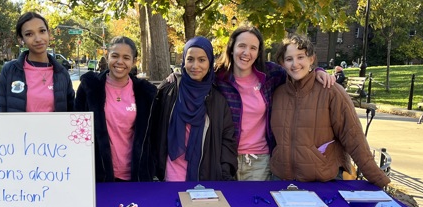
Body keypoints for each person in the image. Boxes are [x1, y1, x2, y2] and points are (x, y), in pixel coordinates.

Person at [214, 26, 334, 181]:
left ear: (258, 53)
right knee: (227, 203)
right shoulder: (218, 77)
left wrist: (317, 71)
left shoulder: (271, 74)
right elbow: (195, 74)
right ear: (231, 48)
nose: (246, 52)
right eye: (241, 46)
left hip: (259, 160)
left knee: (256, 202)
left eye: (253, 48)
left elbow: (297, 73)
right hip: (224, 157)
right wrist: (175, 78)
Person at [270, 34, 390, 187]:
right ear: (282, 63)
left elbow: (353, 136)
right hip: (281, 179)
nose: (295, 64)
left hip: (323, 180)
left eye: (300, 57)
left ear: (311, 59)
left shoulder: (331, 91)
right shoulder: (278, 94)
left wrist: (378, 179)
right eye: (289, 59)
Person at [151, 36, 237, 181]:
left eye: (202, 60)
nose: (195, 65)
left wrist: (224, 172)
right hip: (168, 176)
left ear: (210, 63)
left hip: (204, 177)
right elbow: (153, 131)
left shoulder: (218, 101)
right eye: (190, 59)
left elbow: (227, 140)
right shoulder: (169, 92)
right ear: (183, 61)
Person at [74, 36, 158, 182]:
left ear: (134, 61)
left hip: (136, 176)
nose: (120, 62)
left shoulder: (146, 93)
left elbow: (153, 136)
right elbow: (77, 131)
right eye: (115, 56)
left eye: (126, 57)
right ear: (107, 57)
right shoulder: (90, 87)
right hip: (99, 175)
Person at [0, 12, 74, 112]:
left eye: (42, 31)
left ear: (49, 34)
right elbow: (0, 112)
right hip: (19, 128)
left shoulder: (62, 73)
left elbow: (71, 114)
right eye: (29, 34)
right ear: (21, 39)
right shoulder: (9, 71)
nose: (38, 39)